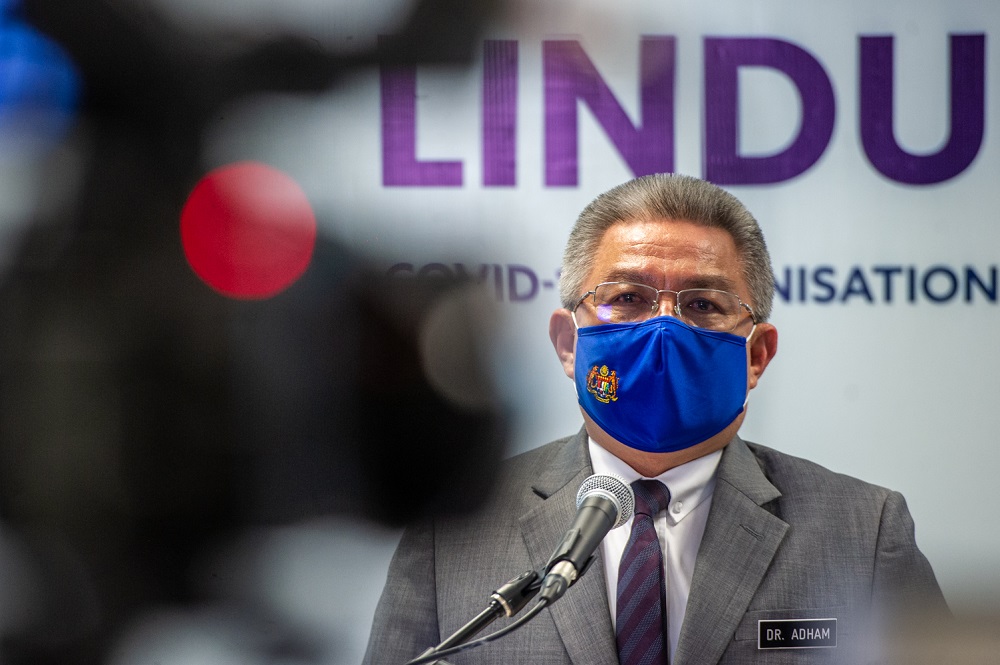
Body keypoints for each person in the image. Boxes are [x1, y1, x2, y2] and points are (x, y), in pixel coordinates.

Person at [362, 173, 947, 665]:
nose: (664, 329)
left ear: (757, 355)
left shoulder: (866, 532)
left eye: (702, 305)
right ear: (569, 344)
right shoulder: (451, 526)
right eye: (628, 298)